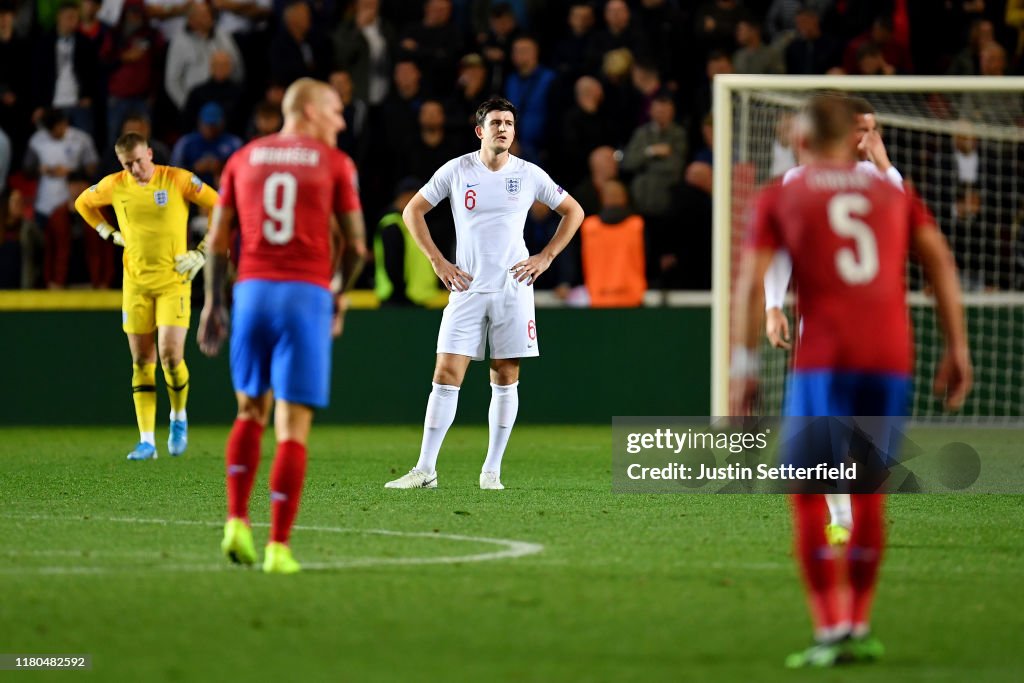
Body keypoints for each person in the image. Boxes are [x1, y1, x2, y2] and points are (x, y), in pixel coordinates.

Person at [731, 94, 972, 667]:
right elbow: (938, 258)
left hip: (826, 352)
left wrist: (742, 369)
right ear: (855, 137)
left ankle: (830, 628)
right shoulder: (891, 191)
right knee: (870, 488)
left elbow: (750, 280)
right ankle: (860, 621)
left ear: (802, 140)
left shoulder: (784, 192)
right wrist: (957, 346)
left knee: (807, 491)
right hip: (889, 353)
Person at [196, 77, 366, 574]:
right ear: (309, 111)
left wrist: (212, 304)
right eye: (335, 110)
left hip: (250, 294)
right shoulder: (335, 163)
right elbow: (355, 246)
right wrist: (339, 292)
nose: (340, 121)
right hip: (304, 294)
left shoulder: (243, 158)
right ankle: (277, 547)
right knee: (292, 426)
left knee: (249, 411)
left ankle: (234, 522)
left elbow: (218, 240)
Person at [385, 96, 584, 490]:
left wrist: (545, 256)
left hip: (513, 288)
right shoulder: (458, 170)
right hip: (468, 287)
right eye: (495, 123)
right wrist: (438, 262)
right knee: (445, 373)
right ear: (480, 131)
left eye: (509, 123)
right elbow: (412, 211)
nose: (503, 129)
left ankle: (491, 470)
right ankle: (425, 469)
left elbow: (573, 211)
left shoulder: (529, 174)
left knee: (506, 375)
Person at [764, 96, 905, 545]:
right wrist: (773, 303)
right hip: (821, 326)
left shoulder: (877, 179)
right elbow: (781, 251)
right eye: (861, 129)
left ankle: (855, 510)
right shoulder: (800, 181)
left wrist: (883, 165)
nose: (868, 139)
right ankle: (840, 516)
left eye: (873, 129)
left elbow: (910, 229)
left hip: (875, 328)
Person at [74, 132, 218, 460]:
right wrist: (106, 232)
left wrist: (202, 252)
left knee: (169, 356)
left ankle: (178, 417)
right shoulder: (115, 184)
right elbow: (83, 203)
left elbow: (220, 205)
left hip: (174, 280)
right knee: (141, 360)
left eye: (139, 160)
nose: (135, 168)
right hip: (136, 283)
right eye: (128, 164)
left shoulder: (177, 180)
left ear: (150, 153)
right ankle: (147, 441)